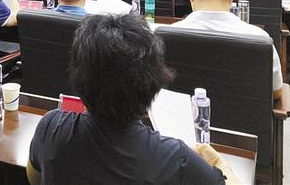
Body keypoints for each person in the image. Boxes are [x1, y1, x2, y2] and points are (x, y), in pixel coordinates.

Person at [27, 13, 240, 185]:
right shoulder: (176, 159)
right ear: (153, 82)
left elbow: (34, 178)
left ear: (78, 75)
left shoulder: (51, 127)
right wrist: (218, 162)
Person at [172, 0, 283, 98]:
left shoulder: (169, 33)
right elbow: (276, 91)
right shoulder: (259, 38)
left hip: (182, 110)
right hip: (241, 111)